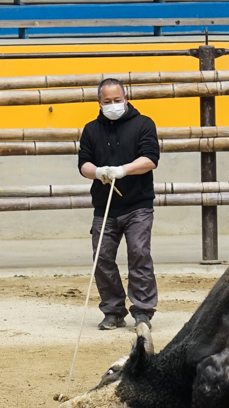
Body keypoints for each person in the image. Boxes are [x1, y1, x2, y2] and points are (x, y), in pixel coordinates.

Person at [77, 78, 159, 330]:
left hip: (138, 206)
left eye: (116, 100)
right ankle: (113, 310)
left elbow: (150, 159)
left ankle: (143, 311)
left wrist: (124, 170)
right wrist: (99, 171)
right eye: (107, 102)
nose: (112, 105)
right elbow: (83, 164)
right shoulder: (91, 129)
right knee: (101, 258)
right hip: (105, 208)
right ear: (99, 103)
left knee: (139, 253)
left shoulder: (144, 124)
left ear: (126, 98)